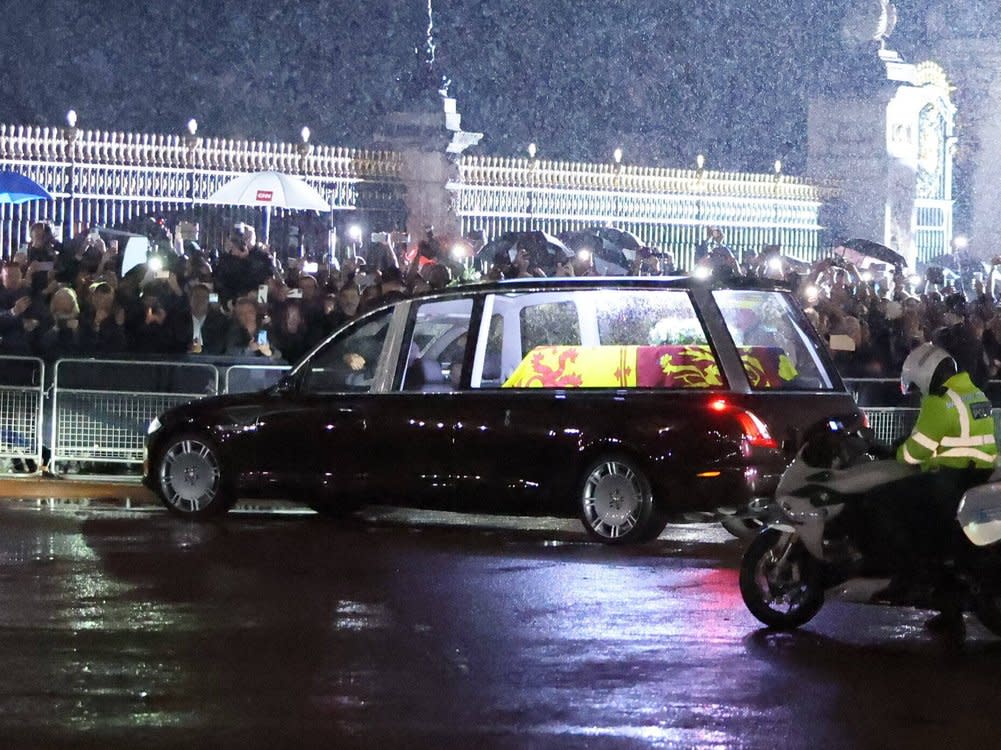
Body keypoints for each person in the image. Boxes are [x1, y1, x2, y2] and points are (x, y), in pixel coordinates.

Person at [893, 343, 997, 632]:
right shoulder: (973, 392)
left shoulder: (940, 401)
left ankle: (944, 605)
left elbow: (915, 452)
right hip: (980, 475)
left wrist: (896, 452)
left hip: (952, 478)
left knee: (924, 536)